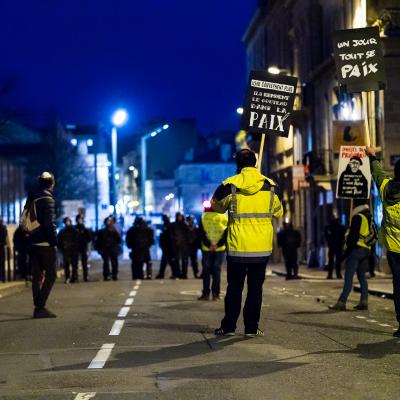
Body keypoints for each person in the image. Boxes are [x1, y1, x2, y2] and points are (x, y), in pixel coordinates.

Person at [211, 149, 283, 337]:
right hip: (261, 247)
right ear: (255, 162)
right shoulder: (271, 186)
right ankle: (251, 327)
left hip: (238, 246)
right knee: (255, 289)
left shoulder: (229, 185)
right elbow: (278, 211)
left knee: (234, 288)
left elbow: (215, 206)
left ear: (238, 164)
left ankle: (228, 327)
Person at [365, 146, 400, 337]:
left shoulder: (387, 188)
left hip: (394, 250)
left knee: (399, 286)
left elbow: (377, 173)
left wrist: (372, 157)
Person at [329, 200, 375, 312]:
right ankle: (364, 302)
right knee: (361, 277)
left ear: (356, 206)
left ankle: (342, 302)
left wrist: (346, 253)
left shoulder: (358, 217)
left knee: (348, 277)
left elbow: (353, 237)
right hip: (366, 250)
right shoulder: (369, 217)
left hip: (357, 249)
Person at [26, 172, 58, 318]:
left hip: (32, 241)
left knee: (37, 274)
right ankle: (40, 306)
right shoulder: (48, 199)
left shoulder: (32, 197)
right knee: (51, 274)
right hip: (45, 243)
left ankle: (38, 306)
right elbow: (48, 223)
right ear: (51, 183)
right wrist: (54, 241)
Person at [197, 204, 228, 301]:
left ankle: (206, 294)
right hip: (220, 248)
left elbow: (200, 233)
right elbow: (226, 233)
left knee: (206, 271)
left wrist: (208, 244)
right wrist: (218, 245)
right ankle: (216, 294)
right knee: (216, 271)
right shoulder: (225, 217)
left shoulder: (204, 217)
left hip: (207, 249)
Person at [95, 217, 121, 281]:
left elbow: (118, 240)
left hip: (113, 248)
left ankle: (114, 275)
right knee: (106, 262)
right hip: (105, 249)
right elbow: (99, 241)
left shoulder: (114, 231)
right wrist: (99, 249)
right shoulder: (102, 231)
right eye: (108, 221)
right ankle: (107, 275)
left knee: (113, 262)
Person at [57, 217, 79, 283]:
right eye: (67, 221)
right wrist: (62, 247)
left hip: (73, 250)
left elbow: (77, 239)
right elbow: (59, 241)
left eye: (69, 221)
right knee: (66, 264)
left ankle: (74, 277)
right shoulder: (62, 232)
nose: (68, 223)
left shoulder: (74, 231)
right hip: (66, 250)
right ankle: (68, 277)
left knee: (74, 264)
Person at [156, 215, 178, 279]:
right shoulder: (166, 226)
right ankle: (162, 273)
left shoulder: (168, 226)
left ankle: (174, 274)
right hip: (167, 246)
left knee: (169, 261)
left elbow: (168, 237)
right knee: (165, 261)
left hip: (168, 246)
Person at [170, 212, 190, 279]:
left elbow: (189, 235)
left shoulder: (185, 225)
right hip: (176, 244)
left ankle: (184, 274)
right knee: (176, 260)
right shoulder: (173, 225)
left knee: (184, 260)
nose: (180, 218)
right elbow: (171, 235)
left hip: (184, 244)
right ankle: (177, 273)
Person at [75, 214, 93, 282]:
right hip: (76, 248)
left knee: (84, 263)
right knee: (75, 263)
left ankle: (85, 276)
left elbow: (89, 238)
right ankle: (75, 277)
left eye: (81, 219)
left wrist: (85, 241)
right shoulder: (75, 228)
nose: (80, 220)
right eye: (79, 219)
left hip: (83, 247)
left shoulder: (85, 229)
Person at [0, 217, 9, 283]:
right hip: (2, 246)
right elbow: (6, 237)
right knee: (2, 263)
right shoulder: (4, 228)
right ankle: (3, 278)